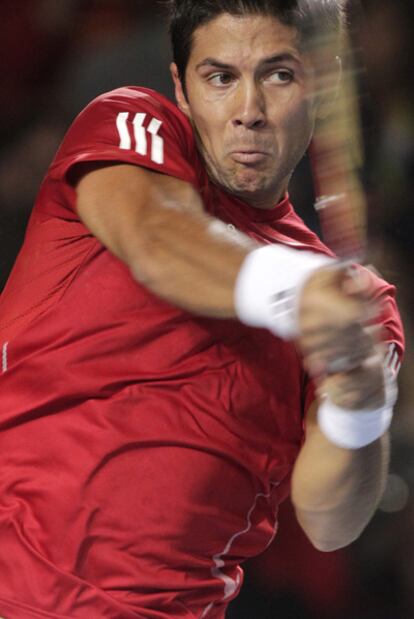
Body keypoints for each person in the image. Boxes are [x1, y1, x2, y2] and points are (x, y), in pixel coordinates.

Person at [0, 1, 404, 617]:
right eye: (220, 78)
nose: (248, 112)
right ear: (181, 91)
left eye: (278, 75)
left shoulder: (358, 307)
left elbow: (330, 521)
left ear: (319, 81)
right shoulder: (130, 125)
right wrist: (295, 291)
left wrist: (359, 401)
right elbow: (157, 236)